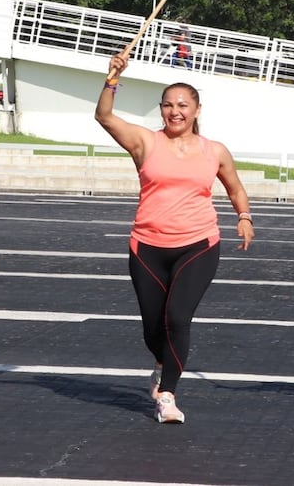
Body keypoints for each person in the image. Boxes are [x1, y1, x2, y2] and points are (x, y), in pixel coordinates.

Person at [94, 53, 254, 424]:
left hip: (198, 244)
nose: (174, 111)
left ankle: (167, 394)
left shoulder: (214, 151)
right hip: (147, 246)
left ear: (197, 109)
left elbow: (235, 189)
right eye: (167, 105)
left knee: (178, 317)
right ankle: (163, 364)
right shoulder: (145, 142)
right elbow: (104, 117)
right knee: (153, 327)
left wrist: (243, 217)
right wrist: (112, 80)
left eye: (183, 105)